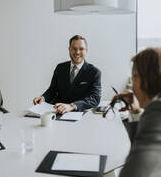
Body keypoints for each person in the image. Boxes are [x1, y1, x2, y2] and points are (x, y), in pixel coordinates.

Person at [112, 48, 161, 177]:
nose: (132, 87)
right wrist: (136, 112)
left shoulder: (157, 113)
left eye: (134, 78)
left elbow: (137, 170)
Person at [33, 35, 101, 114]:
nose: (77, 52)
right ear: (69, 49)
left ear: (86, 50)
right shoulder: (60, 68)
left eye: (81, 49)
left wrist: (72, 106)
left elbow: (95, 98)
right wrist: (43, 98)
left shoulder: (94, 72)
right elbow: (52, 90)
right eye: (74, 49)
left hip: (78, 113)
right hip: (56, 111)